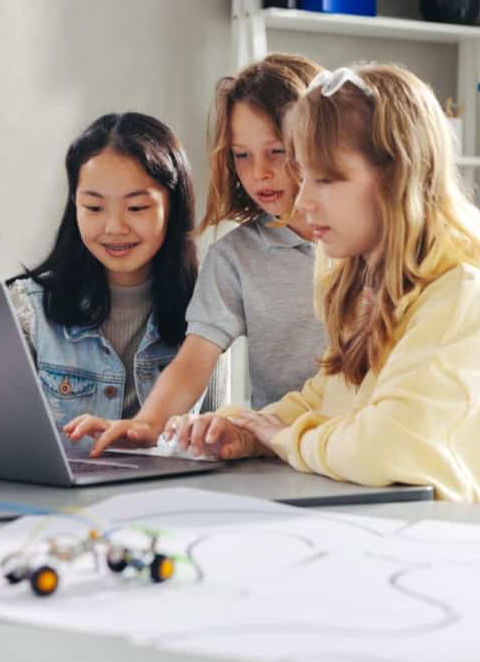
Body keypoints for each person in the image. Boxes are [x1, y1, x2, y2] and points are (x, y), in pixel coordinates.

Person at [174, 64, 480, 520]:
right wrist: (250, 431)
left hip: (461, 551)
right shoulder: (362, 288)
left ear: (396, 176)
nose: (305, 200)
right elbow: (326, 396)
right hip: (393, 535)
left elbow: (383, 446)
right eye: (305, 176)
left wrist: (282, 439)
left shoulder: (460, 296)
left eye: (326, 179)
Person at [65, 54, 327, 457]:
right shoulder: (234, 257)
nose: (259, 172)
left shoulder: (365, 242)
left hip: (364, 446)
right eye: (242, 155)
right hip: (283, 455)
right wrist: (145, 425)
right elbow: (192, 362)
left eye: (277, 151)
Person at [6, 113, 198, 453]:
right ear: (74, 206)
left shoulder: (204, 309)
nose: (114, 227)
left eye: (136, 207)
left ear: (174, 206)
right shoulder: (27, 309)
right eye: (94, 207)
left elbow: (202, 445)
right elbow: (3, 441)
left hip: (161, 499)